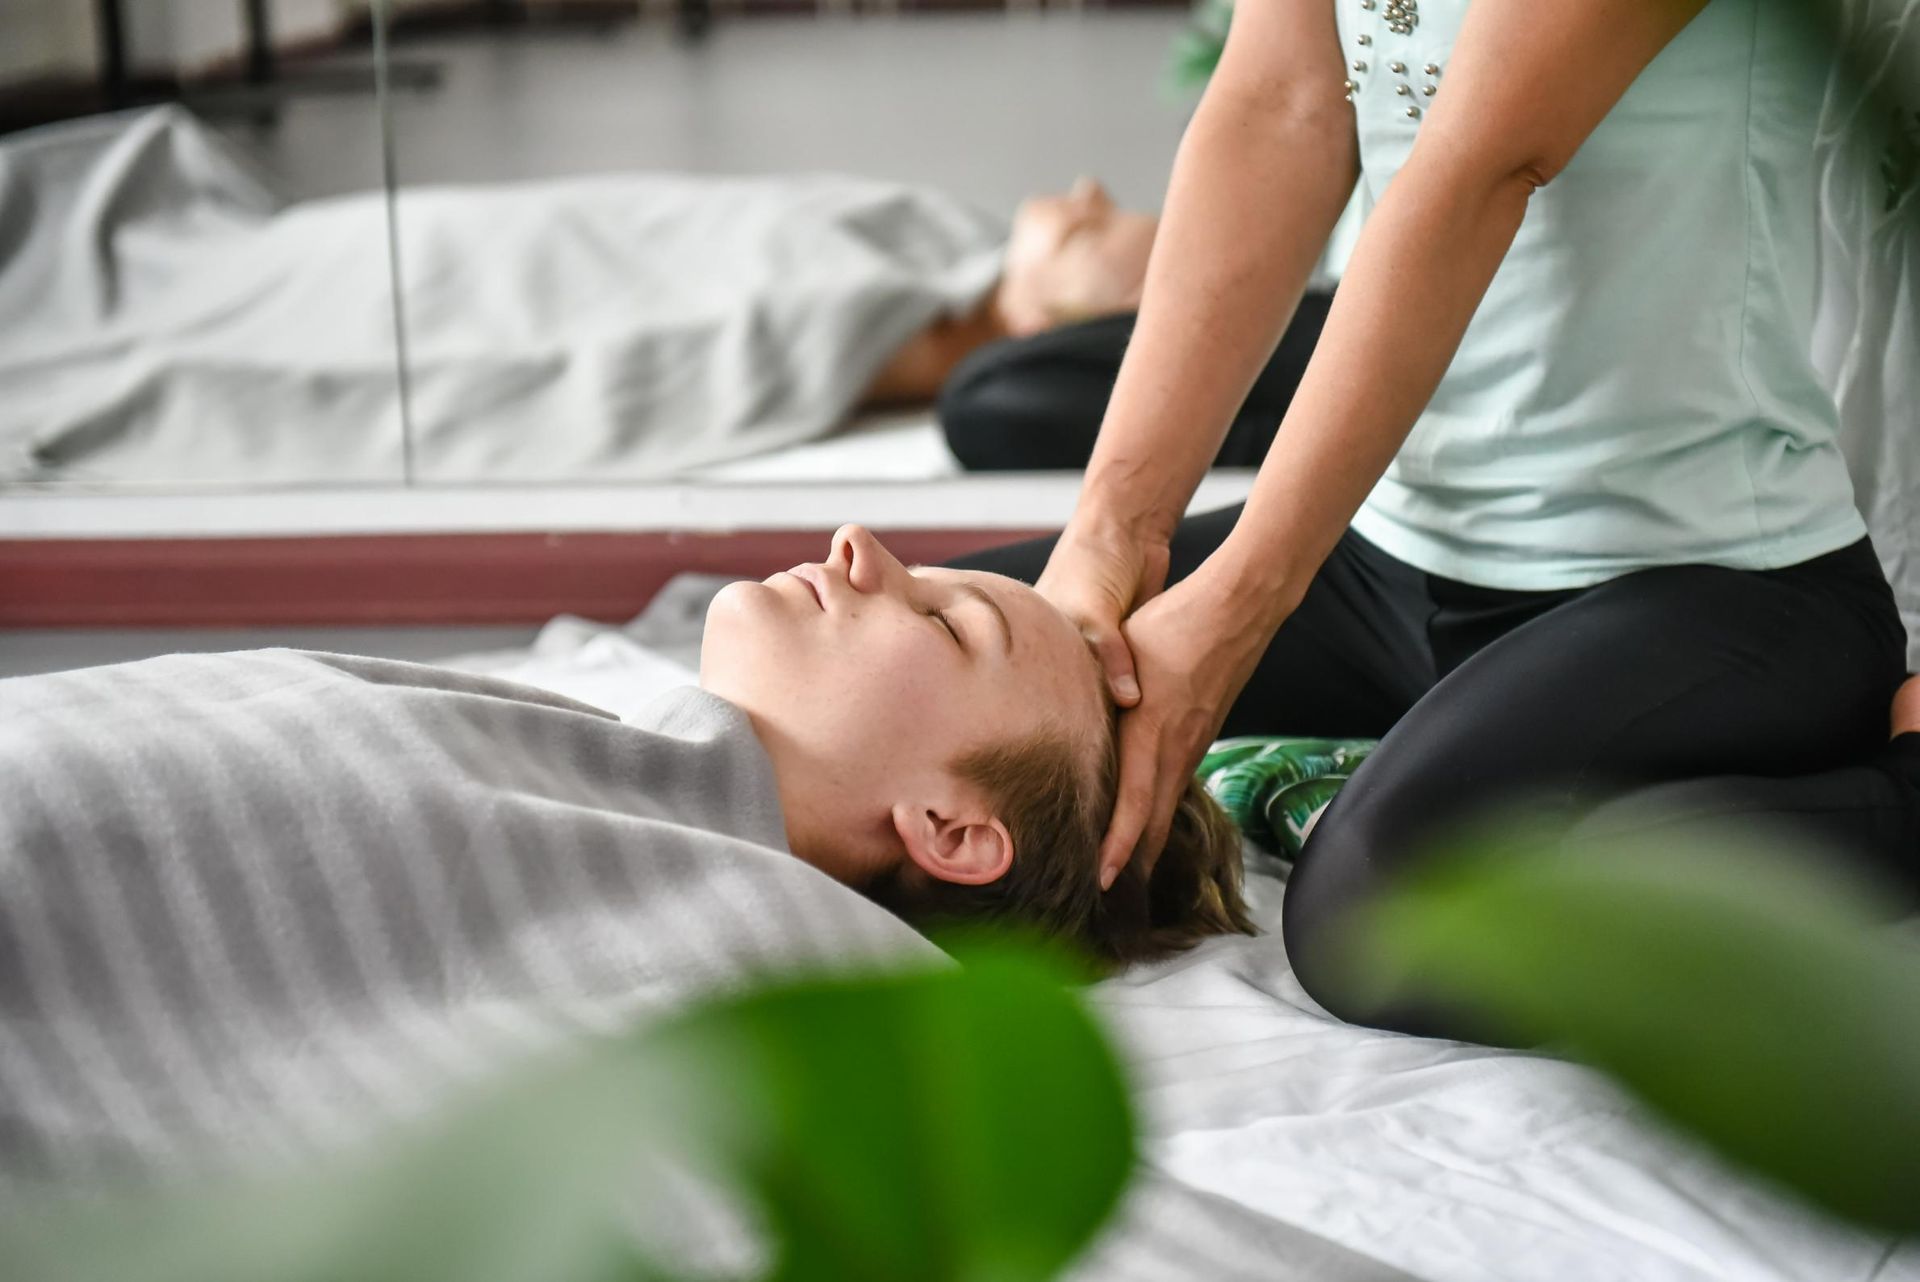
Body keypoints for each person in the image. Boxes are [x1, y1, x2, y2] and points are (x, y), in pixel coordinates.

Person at [963, 0, 1920, 1038]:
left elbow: (1483, 161)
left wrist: (1235, 603)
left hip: (1710, 587)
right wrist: (1109, 535)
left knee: (1383, 923)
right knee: (942, 683)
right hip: (1382, 559)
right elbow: (1278, 107)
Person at [0, 525, 1251, 1179]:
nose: (861, 546)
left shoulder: (754, 943)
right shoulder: (555, 738)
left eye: (941, 617)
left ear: (954, 833)